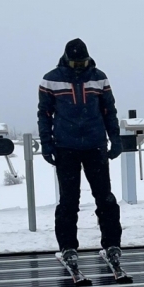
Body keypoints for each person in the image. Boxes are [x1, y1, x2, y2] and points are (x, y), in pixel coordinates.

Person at [37, 38, 123, 267]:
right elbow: (44, 115)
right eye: (75, 63)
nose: (80, 67)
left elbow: (109, 111)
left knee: (105, 198)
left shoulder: (99, 77)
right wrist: (46, 144)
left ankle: (112, 243)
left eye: (83, 62)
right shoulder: (51, 79)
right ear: (67, 59)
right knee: (68, 200)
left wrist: (115, 139)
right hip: (66, 148)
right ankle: (67, 247)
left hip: (95, 146)